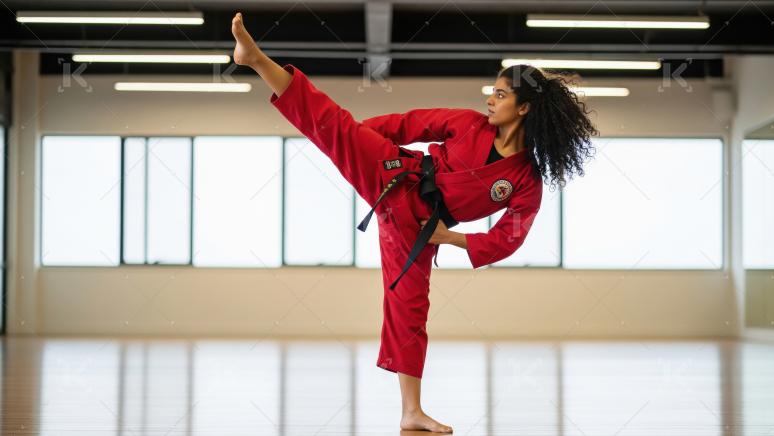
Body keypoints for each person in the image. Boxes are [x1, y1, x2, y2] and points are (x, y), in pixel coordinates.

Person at [231, 11, 596, 433]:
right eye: (491, 92)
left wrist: (452, 238)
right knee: (333, 123)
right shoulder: (468, 124)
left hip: (421, 230)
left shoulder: (525, 179)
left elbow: (510, 235)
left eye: (499, 94)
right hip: (397, 176)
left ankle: (411, 411)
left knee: (410, 311)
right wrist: (355, 139)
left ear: (525, 107)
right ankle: (256, 58)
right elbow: (409, 124)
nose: (489, 100)